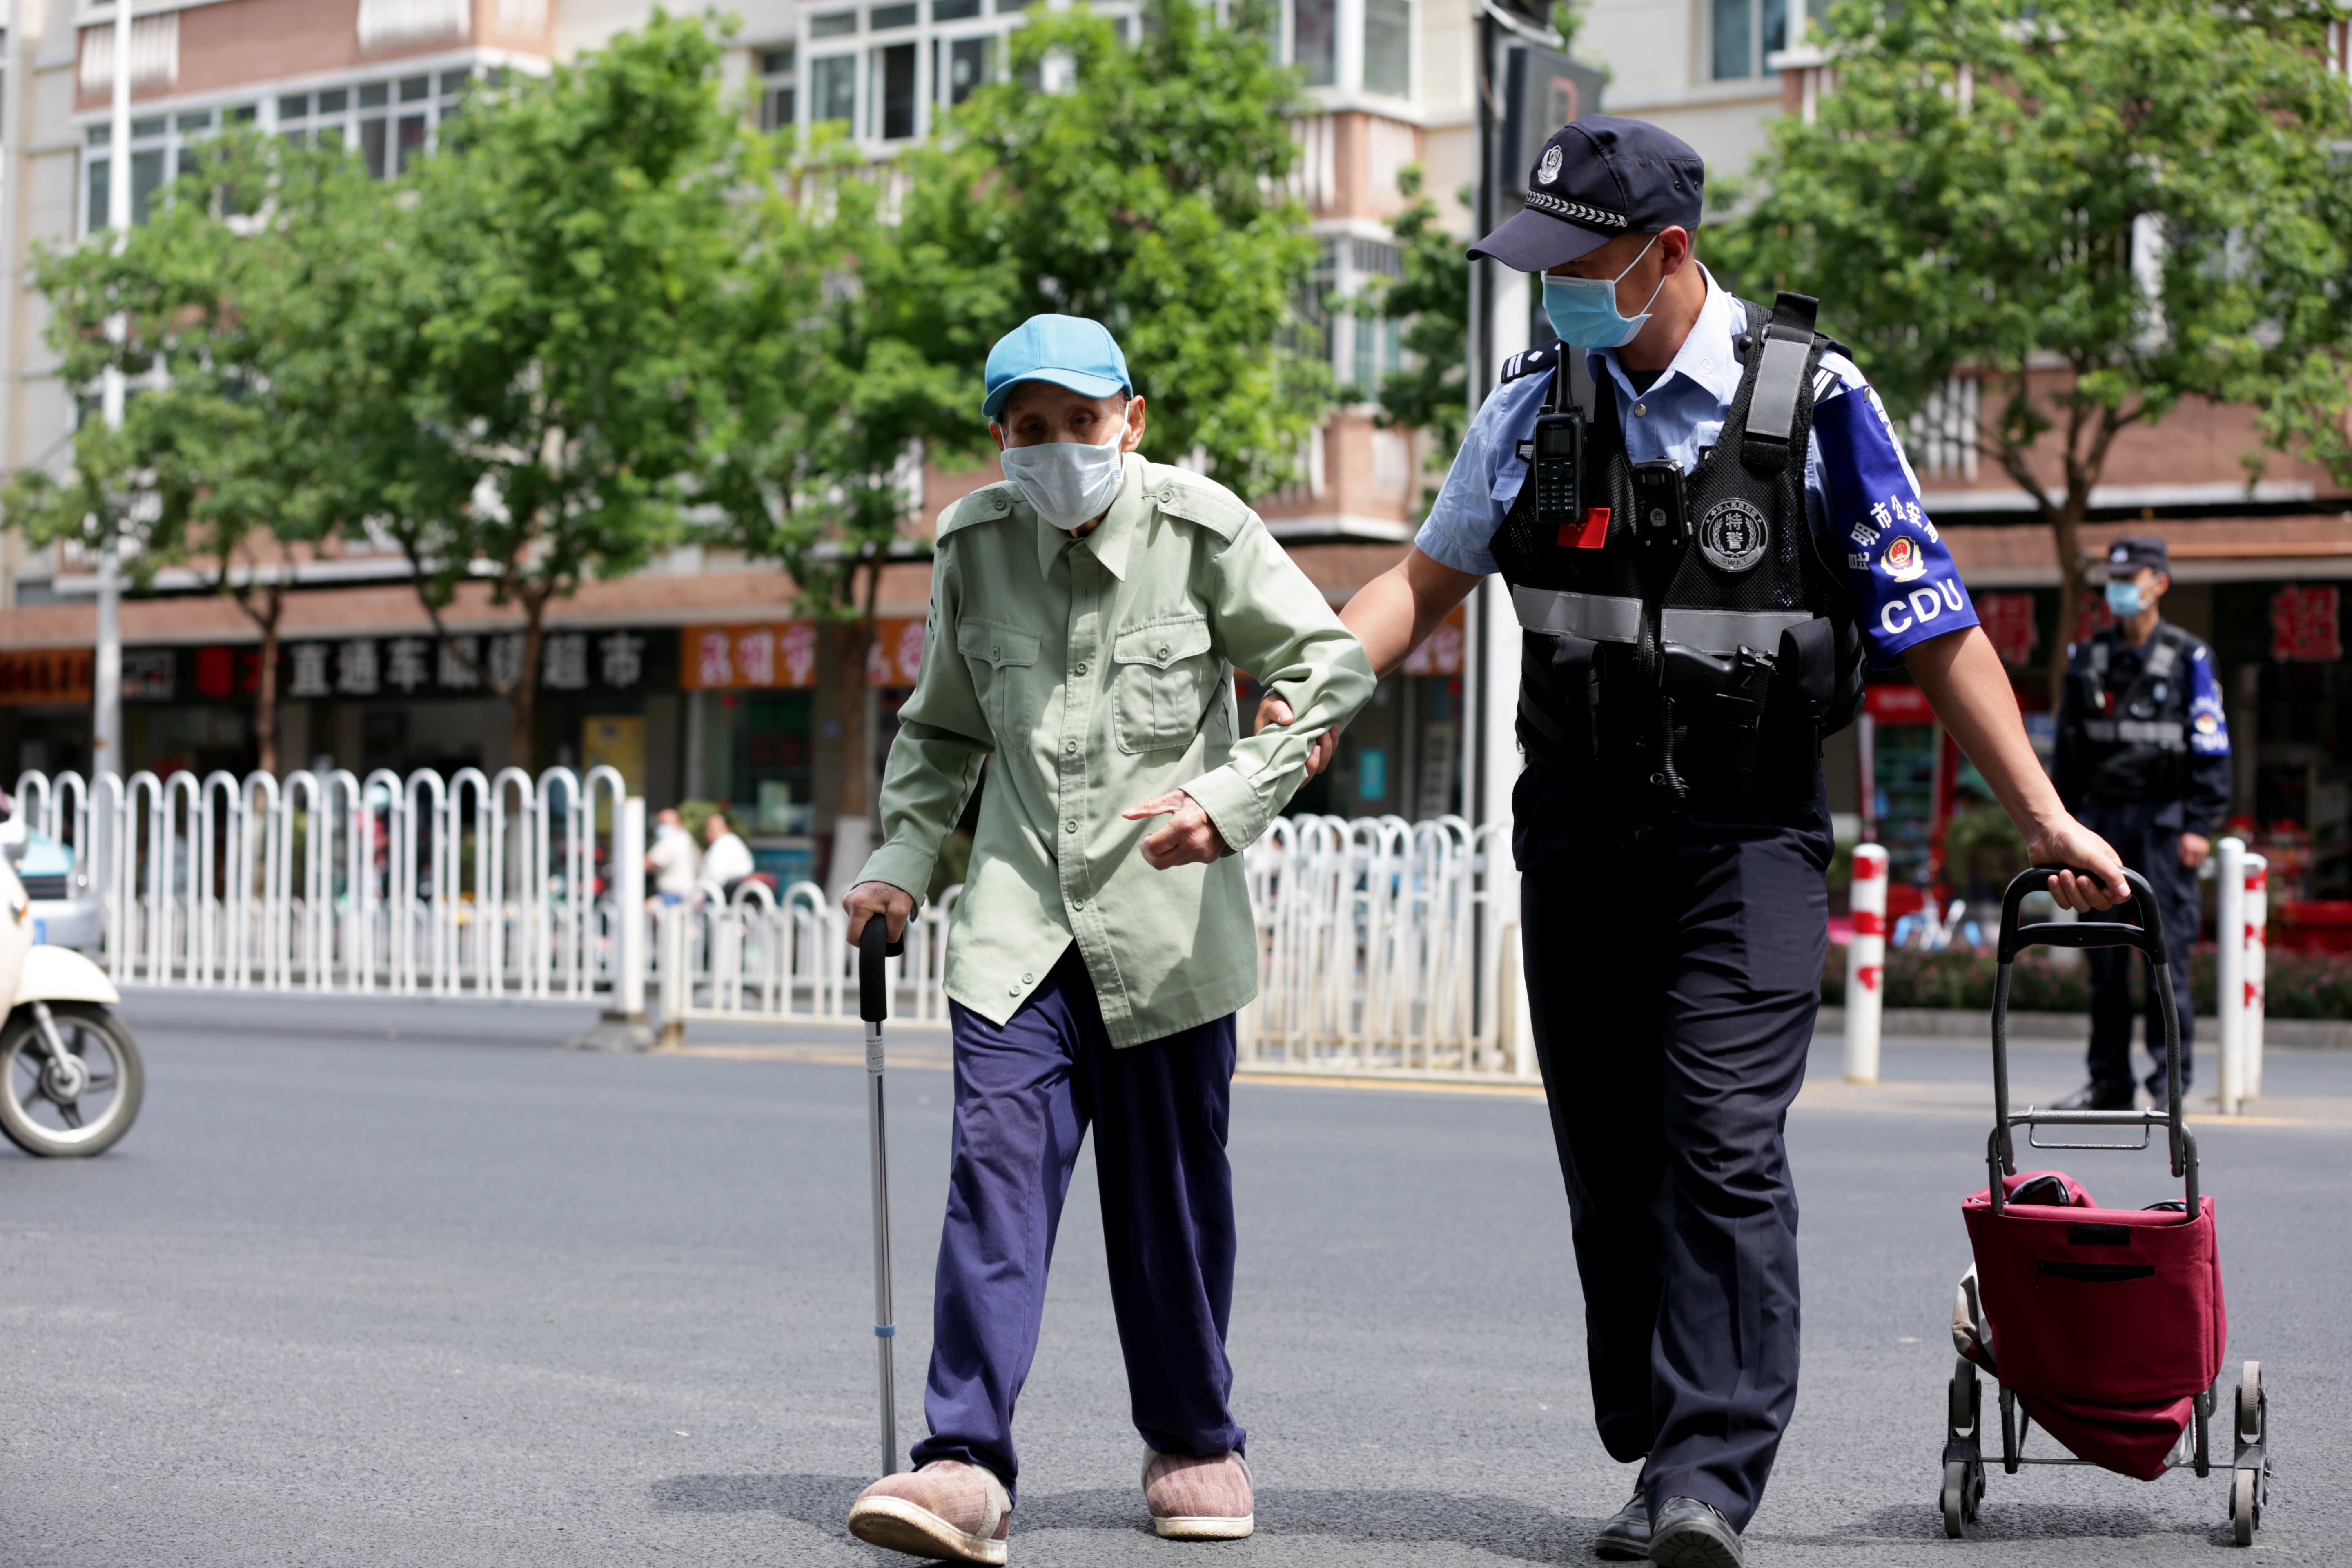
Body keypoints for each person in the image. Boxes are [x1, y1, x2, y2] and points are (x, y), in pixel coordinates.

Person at [1257, 116, 2127, 1568]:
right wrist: (1306, 698)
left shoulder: (1818, 402)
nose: (1550, 291)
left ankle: (1706, 1475)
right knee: (1611, 1162)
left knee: (1719, 1143)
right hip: (1579, 839)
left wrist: (2038, 816)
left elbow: (1933, 627)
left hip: (1746, 840)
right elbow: (1418, 584)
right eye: (1534, 262)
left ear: (1666, 256)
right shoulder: (1531, 407)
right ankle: (1660, 1432)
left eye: (1573, 262)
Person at [839, 313, 1372, 1564]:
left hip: (1169, 929)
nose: (1059, 447)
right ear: (999, 440)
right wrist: (900, 866)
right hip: (1018, 930)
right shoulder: (973, 541)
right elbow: (943, 731)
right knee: (994, 1184)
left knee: (1172, 1207)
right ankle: (963, 1462)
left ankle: (1194, 1436)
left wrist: (1230, 798)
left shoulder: (1205, 529)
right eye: (1030, 429)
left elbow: (1330, 663)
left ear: (1130, 421)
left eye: (1082, 423)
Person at [2053, 536, 2230, 1113]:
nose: (2120, 588)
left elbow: (2211, 747)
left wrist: (2199, 824)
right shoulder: (2088, 659)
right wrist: (2063, 825)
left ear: (2161, 583)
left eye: (2133, 577)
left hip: (2162, 824)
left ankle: (2169, 1084)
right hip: (2100, 824)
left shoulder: (2189, 658)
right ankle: (2109, 1081)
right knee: (2103, 961)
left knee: (2165, 959)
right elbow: (2067, 756)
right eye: (2115, 577)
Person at [644, 807, 701, 910]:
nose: (661, 827)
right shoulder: (687, 837)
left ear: (677, 822)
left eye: (663, 823)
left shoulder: (670, 841)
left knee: (644, 910)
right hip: (690, 894)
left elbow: (647, 864)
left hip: (675, 895)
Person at [697, 809, 755, 903]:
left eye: (713, 829)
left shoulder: (724, 842)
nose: (711, 833)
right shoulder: (732, 841)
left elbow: (717, 875)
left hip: (726, 894)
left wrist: (701, 896)